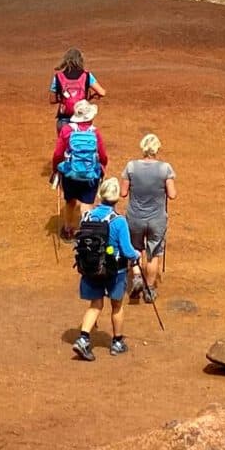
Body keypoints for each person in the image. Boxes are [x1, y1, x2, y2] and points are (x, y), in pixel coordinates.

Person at [69, 174, 140, 361]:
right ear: (116, 198)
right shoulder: (119, 221)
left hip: (91, 268)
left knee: (96, 304)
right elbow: (127, 250)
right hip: (115, 271)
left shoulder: (87, 216)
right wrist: (137, 255)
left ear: (100, 195)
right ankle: (117, 342)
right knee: (116, 306)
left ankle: (83, 339)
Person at [122, 133, 176, 301]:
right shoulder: (165, 168)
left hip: (135, 217)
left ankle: (137, 276)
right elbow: (172, 194)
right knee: (153, 252)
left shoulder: (131, 167)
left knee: (135, 247)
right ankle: (149, 290)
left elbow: (123, 193)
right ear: (157, 148)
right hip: (157, 219)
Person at [48, 99, 107, 239]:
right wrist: (103, 167)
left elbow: (58, 154)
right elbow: (103, 155)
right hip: (90, 173)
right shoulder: (95, 132)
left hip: (70, 173)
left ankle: (68, 230)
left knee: (70, 201)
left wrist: (56, 169)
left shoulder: (67, 130)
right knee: (86, 203)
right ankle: (86, 232)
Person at [49, 48, 102, 125]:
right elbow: (101, 92)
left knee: (63, 136)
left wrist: (64, 98)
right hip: (82, 118)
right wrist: (90, 97)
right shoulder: (86, 75)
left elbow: (52, 100)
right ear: (81, 60)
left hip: (64, 118)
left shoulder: (58, 77)